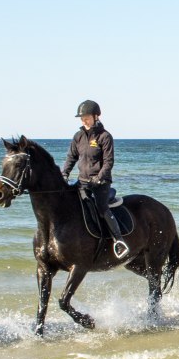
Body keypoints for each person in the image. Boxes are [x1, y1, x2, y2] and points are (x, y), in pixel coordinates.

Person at [61, 100, 128, 258]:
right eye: (82, 117)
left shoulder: (104, 136)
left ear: (96, 116)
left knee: (102, 208)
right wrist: (64, 174)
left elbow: (108, 162)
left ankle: (119, 241)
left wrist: (98, 179)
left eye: (87, 117)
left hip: (101, 184)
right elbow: (71, 157)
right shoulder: (78, 137)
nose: (84, 120)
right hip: (82, 182)